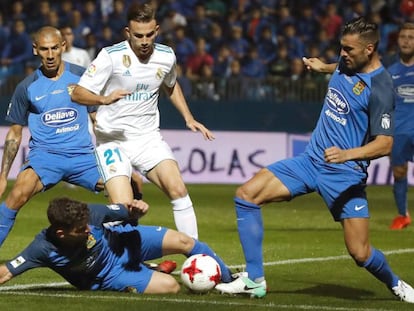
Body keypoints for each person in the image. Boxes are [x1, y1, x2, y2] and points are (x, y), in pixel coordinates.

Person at [215, 17, 414, 303]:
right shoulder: (348, 61)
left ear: (369, 49)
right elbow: (342, 67)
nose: (343, 54)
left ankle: (396, 284)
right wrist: (323, 67)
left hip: (345, 174)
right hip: (310, 161)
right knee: (246, 195)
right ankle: (254, 281)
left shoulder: (382, 87)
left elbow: (385, 144)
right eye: (341, 48)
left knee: (360, 253)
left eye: (349, 49)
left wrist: (347, 154)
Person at [71, 2, 215, 240]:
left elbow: (170, 85)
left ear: (157, 30)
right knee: (123, 208)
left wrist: (188, 117)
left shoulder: (166, 56)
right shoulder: (111, 56)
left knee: (178, 190)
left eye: (149, 34)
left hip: (148, 138)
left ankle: (196, 256)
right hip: (113, 141)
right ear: (128, 33)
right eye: (138, 36)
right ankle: (118, 261)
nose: (145, 41)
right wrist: (103, 99)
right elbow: (77, 93)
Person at [0, 26, 103, 249]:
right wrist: (2, 176)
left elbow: (98, 119)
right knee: (16, 195)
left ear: (63, 47)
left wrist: (116, 158)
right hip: (45, 158)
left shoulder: (83, 77)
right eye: (44, 49)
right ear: (35, 50)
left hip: (82, 156)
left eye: (54, 48)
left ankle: (128, 256)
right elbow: (15, 132)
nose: (49, 55)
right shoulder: (26, 87)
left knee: (123, 188)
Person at [0, 197, 233, 293]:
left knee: (184, 241)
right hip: (109, 275)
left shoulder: (91, 214)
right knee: (171, 286)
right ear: (61, 233)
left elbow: (128, 212)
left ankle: (229, 281)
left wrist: (138, 209)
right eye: (81, 230)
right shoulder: (41, 249)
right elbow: (6, 272)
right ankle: (150, 270)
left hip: (123, 241)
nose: (88, 229)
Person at [387, 23, 414, 230]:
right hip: (399, 130)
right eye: (403, 36)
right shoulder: (391, 72)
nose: (406, 40)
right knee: (399, 172)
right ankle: (402, 215)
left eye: (411, 37)